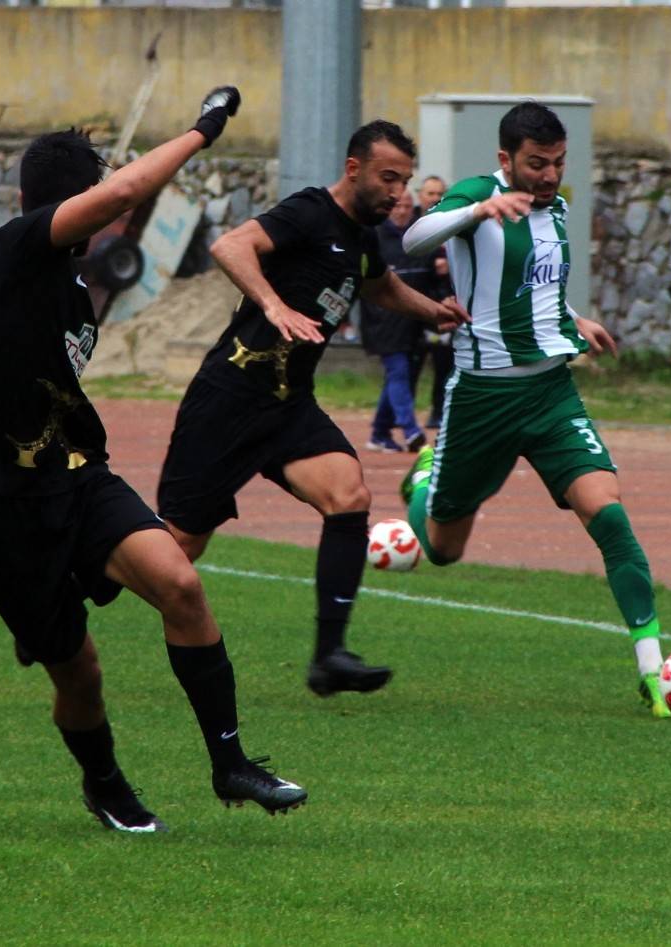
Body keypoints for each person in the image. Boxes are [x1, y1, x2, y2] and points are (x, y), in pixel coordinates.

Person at [0, 87, 308, 836]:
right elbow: (129, 189)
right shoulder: (16, 247)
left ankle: (231, 762)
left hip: (76, 475)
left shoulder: (77, 287)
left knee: (180, 581)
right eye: (97, 195)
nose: (113, 209)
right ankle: (105, 784)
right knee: (78, 672)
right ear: (62, 202)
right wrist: (203, 130)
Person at [157, 120, 469, 698]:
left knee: (348, 495)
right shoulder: (308, 212)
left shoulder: (362, 236)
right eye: (388, 178)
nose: (398, 193)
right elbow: (230, 246)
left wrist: (434, 312)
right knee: (177, 547)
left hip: (287, 405)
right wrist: (273, 305)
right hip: (228, 398)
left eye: (403, 180)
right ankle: (57, 602)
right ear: (355, 170)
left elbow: (378, 287)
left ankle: (330, 657)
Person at [399, 101, 671, 719]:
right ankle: (424, 479)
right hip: (483, 397)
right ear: (506, 160)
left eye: (557, 163)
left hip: (551, 393)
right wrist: (476, 210)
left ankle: (653, 673)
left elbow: (538, 289)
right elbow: (414, 238)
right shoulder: (477, 195)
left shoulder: (560, 208)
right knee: (443, 548)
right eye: (536, 164)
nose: (549, 175)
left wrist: (577, 321)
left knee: (608, 515)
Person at [360, 187, 432, 454]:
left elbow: (430, 276)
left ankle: (379, 432)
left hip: (413, 322)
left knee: (399, 376)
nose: (401, 212)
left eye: (406, 207)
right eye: (396, 207)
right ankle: (411, 429)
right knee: (399, 372)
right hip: (382, 322)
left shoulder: (419, 238)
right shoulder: (374, 237)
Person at [410, 175, 455, 429]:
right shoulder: (411, 225)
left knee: (443, 366)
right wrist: (430, 265)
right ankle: (401, 416)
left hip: (444, 305)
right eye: (430, 193)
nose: (435, 198)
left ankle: (438, 412)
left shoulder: (451, 224)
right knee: (409, 367)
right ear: (420, 195)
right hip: (415, 306)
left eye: (440, 194)